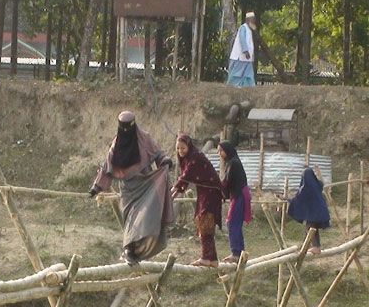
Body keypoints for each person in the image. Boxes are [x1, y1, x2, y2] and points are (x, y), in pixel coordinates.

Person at [90, 111, 175, 265]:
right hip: (128, 190)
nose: (126, 132)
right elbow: (107, 167)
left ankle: (138, 251)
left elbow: (158, 154)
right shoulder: (116, 145)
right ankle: (130, 250)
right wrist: (97, 187)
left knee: (147, 218)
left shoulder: (144, 138)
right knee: (131, 220)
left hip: (147, 184)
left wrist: (165, 161)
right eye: (123, 128)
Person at [172, 134, 223, 267]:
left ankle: (206, 258)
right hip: (205, 191)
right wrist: (176, 191)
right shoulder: (190, 158)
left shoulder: (195, 157)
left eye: (183, 148)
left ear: (188, 146)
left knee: (205, 221)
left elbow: (186, 176)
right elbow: (186, 179)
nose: (180, 151)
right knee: (204, 222)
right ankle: (212, 259)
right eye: (178, 149)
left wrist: (174, 190)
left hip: (211, 191)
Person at [218, 141, 251, 263]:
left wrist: (218, 189)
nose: (219, 153)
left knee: (232, 223)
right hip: (239, 194)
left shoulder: (233, 163)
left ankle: (236, 253)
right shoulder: (232, 162)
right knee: (235, 223)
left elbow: (227, 182)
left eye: (221, 151)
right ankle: (240, 252)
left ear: (227, 150)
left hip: (239, 195)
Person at [286, 167, 330, 255]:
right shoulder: (317, 185)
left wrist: (286, 199)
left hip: (314, 213)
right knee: (312, 228)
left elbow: (297, 199)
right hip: (321, 211)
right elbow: (321, 183)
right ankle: (307, 246)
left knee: (310, 227)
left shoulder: (306, 188)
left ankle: (315, 247)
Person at [226, 12, 257, 87]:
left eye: (254, 20)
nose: (253, 21)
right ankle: (232, 86)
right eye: (252, 19)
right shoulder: (243, 28)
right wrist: (245, 51)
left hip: (247, 59)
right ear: (247, 20)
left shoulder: (249, 30)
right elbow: (242, 39)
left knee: (248, 74)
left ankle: (249, 87)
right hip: (239, 57)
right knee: (236, 74)